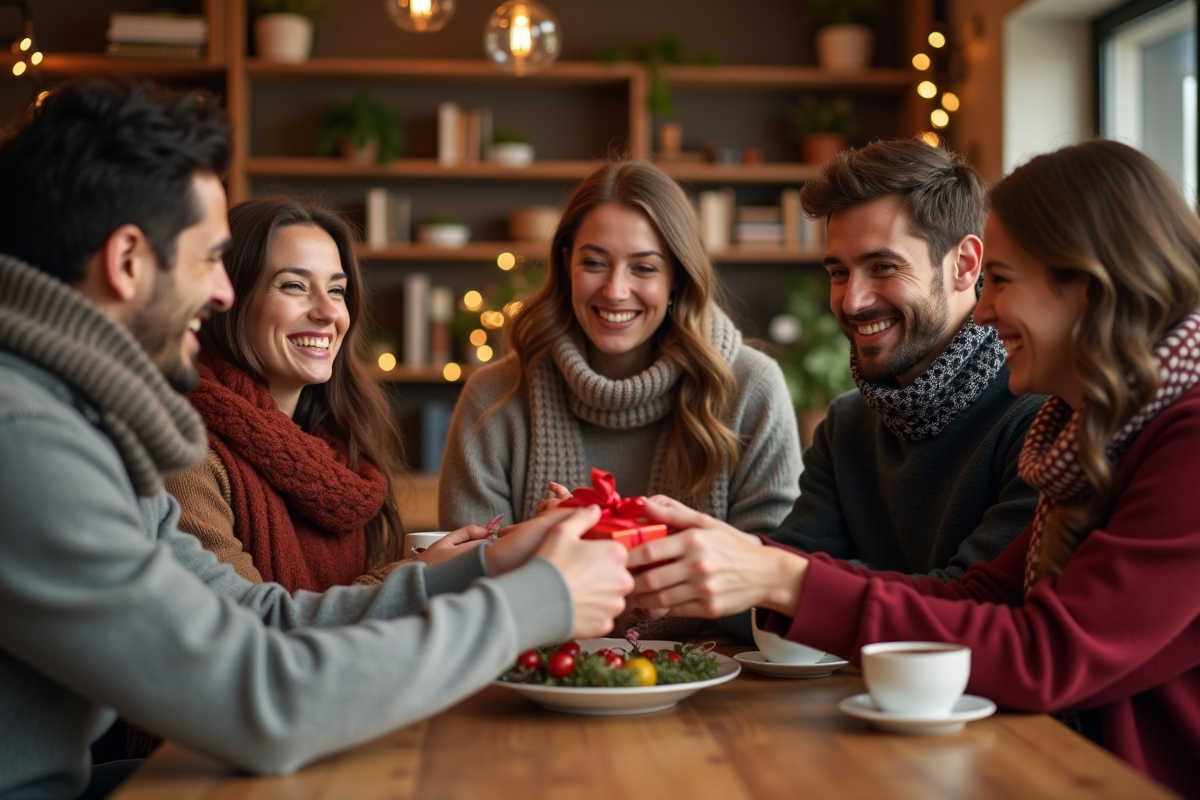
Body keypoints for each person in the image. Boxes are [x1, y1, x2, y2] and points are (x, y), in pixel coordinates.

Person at [0, 78, 632, 800]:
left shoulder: (82, 422)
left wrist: (488, 565)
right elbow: (260, 701)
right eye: (209, 259)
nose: (221, 293)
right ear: (128, 261)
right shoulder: (26, 437)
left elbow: (259, 620)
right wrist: (538, 600)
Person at [627, 139, 1200, 796]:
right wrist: (741, 563)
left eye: (1004, 281)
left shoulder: (1173, 434)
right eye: (839, 271)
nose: (986, 309)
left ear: (1086, 288)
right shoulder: (1085, 428)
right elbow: (977, 598)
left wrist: (779, 578)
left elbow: (1045, 655)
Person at [439, 160, 801, 537]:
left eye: (644, 268)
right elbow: (467, 579)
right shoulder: (493, 399)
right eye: (594, 263)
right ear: (567, 265)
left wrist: (597, 540)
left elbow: (770, 571)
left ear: (676, 275)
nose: (614, 291)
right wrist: (539, 542)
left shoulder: (751, 389)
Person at [165, 197, 477, 593]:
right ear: (229, 299)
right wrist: (415, 578)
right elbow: (249, 628)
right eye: (294, 286)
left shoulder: (340, 449)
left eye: (337, 290)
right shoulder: (185, 454)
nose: (329, 312)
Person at [767, 139, 1043, 581]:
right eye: (839, 272)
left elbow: (976, 607)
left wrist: (812, 581)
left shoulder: (1038, 417)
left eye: (883, 267)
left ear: (965, 264)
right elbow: (765, 584)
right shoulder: (846, 425)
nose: (852, 302)